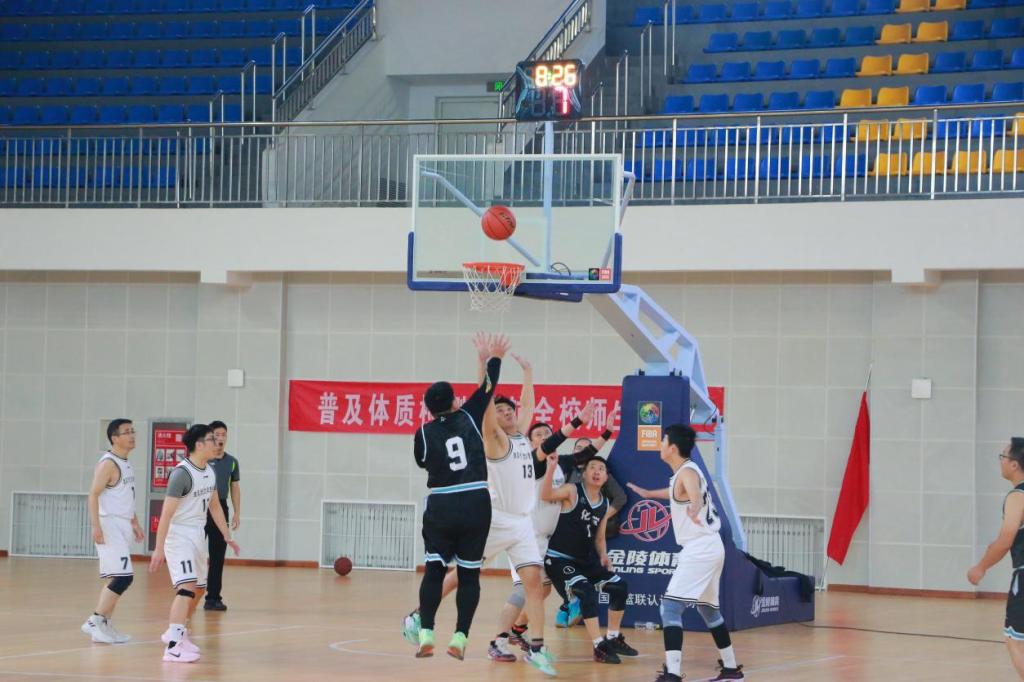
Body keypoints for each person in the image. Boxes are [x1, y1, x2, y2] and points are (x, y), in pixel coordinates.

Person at [404, 347, 558, 676]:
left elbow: (527, 405)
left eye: (509, 409)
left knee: (534, 583)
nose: (507, 413)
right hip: (495, 519)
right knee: (463, 574)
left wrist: (528, 374)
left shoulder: (522, 437)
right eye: (500, 410)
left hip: (523, 524)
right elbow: (483, 400)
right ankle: (419, 615)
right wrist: (483, 366)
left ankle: (537, 648)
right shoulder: (493, 439)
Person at [402, 332, 507, 661]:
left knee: (434, 570)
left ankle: (426, 632)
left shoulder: (423, 432)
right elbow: (488, 387)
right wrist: (493, 357)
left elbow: (422, 462)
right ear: (455, 401)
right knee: (469, 574)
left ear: (429, 408)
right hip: (475, 500)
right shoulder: (469, 416)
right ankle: (460, 637)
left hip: (442, 502)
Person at [631, 423, 744, 682]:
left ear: (672, 447)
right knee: (708, 610)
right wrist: (648, 494)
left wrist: (694, 506)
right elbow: (676, 493)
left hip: (701, 548)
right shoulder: (683, 472)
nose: (660, 445)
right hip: (710, 546)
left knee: (670, 608)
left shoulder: (688, 472)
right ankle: (731, 669)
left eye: (663, 441)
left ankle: (672, 673)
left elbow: (694, 494)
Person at [499, 403, 597, 652]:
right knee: (524, 590)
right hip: (526, 537)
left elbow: (587, 455)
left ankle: (516, 631)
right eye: (539, 434)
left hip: (547, 539)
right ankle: (498, 641)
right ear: (531, 442)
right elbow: (554, 442)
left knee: (542, 591)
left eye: (547, 432)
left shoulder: (560, 462)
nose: (544, 436)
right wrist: (578, 420)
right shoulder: (533, 461)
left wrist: (606, 432)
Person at [150, 424, 239, 663]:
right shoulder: (182, 474)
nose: (216, 443)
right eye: (211, 439)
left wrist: (227, 535)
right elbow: (166, 514)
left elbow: (215, 506)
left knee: (200, 588)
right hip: (179, 536)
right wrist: (158, 548)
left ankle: (179, 631)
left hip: (197, 534)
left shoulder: (209, 471)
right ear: (199, 445)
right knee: (187, 587)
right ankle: (172, 647)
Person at [541, 454, 639, 664]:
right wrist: (550, 469)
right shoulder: (572, 490)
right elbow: (546, 494)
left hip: (585, 562)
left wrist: (603, 555)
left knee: (620, 587)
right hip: (559, 559)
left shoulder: (604, 504)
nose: (597, 471)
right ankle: (598, 646)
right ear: (583, 474)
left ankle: (612, 638)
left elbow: (599, 537)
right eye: (592, 467)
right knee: (586, 592)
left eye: (601, 469)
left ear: (606, 478)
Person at [552, 413, 625, 628]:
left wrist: (602, 517)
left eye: (588, 448)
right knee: (548, 578)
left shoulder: (599, 473)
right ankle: (567, 604)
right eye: (579, 448)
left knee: (580, 578)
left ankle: (573, 607)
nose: (584, 452)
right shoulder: (564, 471)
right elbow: (549, 495)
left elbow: (620, 497)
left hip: (588, 535)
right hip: (558, 532)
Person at [81, 419, 145, 644]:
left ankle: (104, 626)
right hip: (109, 524)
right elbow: (93, 495)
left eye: (133, 431)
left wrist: (134, 522)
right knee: (123, 577)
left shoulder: (125, 462)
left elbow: (125, 497)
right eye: (127, 432)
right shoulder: (108, 463)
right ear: (114, 438)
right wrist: (95, 526)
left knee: (114, 578)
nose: (132, 435)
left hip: (122, 523)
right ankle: (95, 620)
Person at [968, 436, 1024, 680]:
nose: (1000, 461)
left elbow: (1005, 540)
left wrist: (981, 567)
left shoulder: (1017, 496)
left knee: (1015, 641)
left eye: (1003, 456)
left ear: (1014, 464)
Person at [203, 420, 241, 612]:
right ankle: (186, 594)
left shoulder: (232, 462)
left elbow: (235, 487)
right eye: (216, 434)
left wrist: (237, 512)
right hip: (200, 508)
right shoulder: (201, 460)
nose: (220, 438)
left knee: (217, 555)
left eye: (223, 434)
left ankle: (213, 598)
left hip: (221, 508)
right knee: (194, 553)